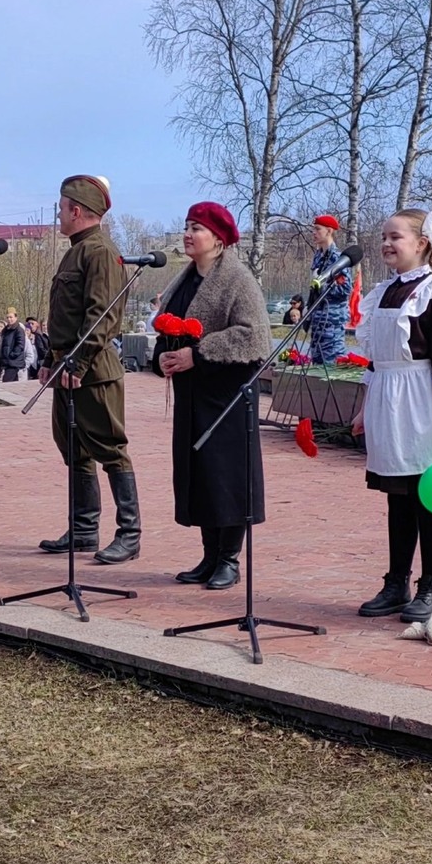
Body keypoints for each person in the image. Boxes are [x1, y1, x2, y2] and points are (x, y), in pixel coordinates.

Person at [351, 208, 432, 623]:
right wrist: (364, 410)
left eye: (395, 237)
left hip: (421, 400)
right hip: (387, 398)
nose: (386, 243)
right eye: (383, 236)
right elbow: (375, 359)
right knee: (398, 497)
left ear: (422, 243)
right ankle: (396, 582)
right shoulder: (382, 292)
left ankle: (430, 586)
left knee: (430, 496)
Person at [152, 202, 269, 589]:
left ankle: (229, 559)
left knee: (226, 476)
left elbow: (253, 336)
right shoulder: (184, 279)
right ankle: (208, 554)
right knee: (198, 475)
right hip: (192, 396)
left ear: (218, 239)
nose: (188, 234)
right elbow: (171, 328)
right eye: (186, 226)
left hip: (226, 397)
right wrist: (165, 357)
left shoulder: (238, 279)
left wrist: (197, 354)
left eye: (196, 228)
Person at [38, 174, 141, 564]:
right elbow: (65, 317)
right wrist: (51, 361)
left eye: (61, 208)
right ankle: (84, 529)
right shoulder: (77, 250)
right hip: (68, 367)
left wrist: (77, 364)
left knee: (110, 449)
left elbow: (102, 316)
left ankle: (129, 534)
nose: (58, 214)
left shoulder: (98, 251)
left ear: (76, 210)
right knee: (75, 450)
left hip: (93, 371)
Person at [308, 215, 351, 365]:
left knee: (331, 365)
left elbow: (345, 289)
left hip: (331, 322)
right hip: (318, 321)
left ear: (329, 231)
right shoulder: (319, 256)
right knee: (317, 367)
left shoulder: (337, 258)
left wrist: (323, 286)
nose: (314, 232)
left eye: (317, 229)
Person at [0, 309, 26, 382]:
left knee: (6, 382)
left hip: (13, 362)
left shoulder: (19, 330)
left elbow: (20, 345)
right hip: (7, 362)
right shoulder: (5, 330)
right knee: (12, 384)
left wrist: (11, 355)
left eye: (11, 317)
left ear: (15, 317)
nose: (9, 319)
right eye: (7, 317)